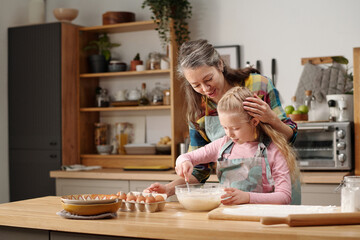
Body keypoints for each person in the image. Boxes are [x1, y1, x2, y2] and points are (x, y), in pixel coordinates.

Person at [145, 39, 298, 201]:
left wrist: (272, 119)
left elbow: (288, 139)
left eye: (208, 79)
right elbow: (198, 169)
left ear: (219, 65)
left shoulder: (258, 85)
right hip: (235, 199)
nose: (205, 89)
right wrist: (168, 189)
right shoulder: (199, 110)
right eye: (196, 85)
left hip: (276, 189)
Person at [175, 86, 299, 204]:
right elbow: (186, 157)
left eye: (235, 128)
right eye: (225, 127)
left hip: (262, 220)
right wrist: (183, 163)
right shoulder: (223, 144)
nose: (230, 134)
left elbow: (284, 197)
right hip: (228, 217)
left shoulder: (274, 150)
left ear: (254, 122)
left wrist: (247, 197)